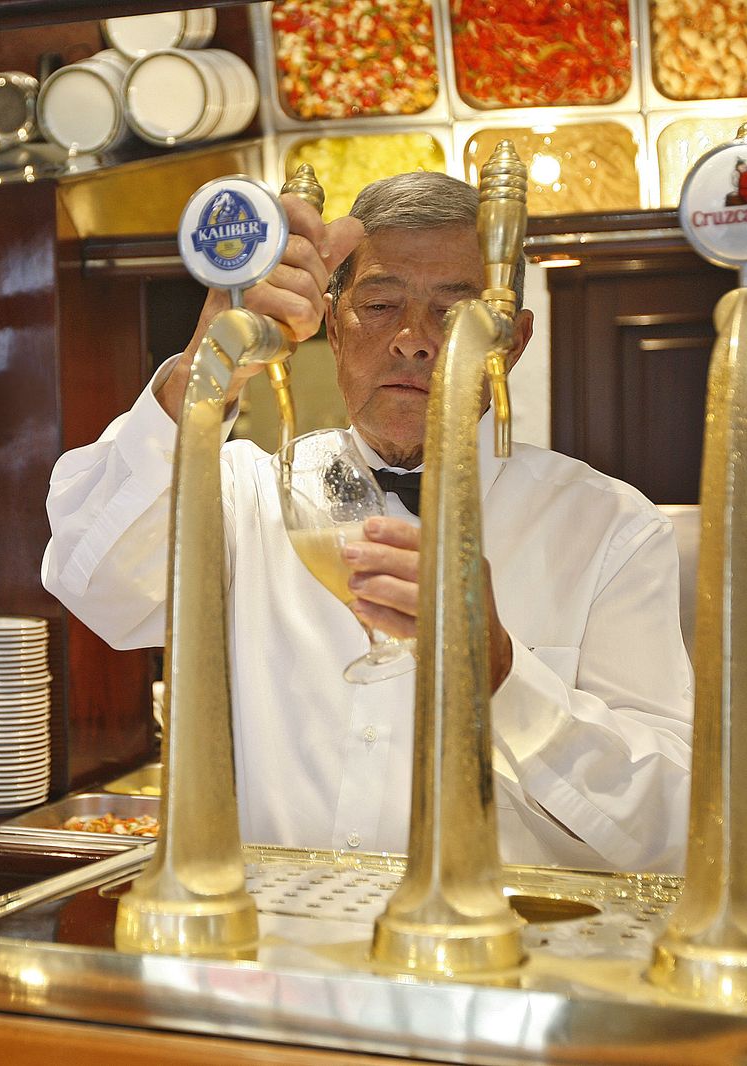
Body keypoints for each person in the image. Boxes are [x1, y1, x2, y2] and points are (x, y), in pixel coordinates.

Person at [42, 172, 693, 874]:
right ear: (332, 323)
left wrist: (505, 676)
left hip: (510, 938)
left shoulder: (609, 529)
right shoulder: (248, 495)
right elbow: (95, 582)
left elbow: (671, 823)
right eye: (380, 305)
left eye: (454, 314)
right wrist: (210, 361)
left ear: (513, 341)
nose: (413, 340)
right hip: (281, 934)